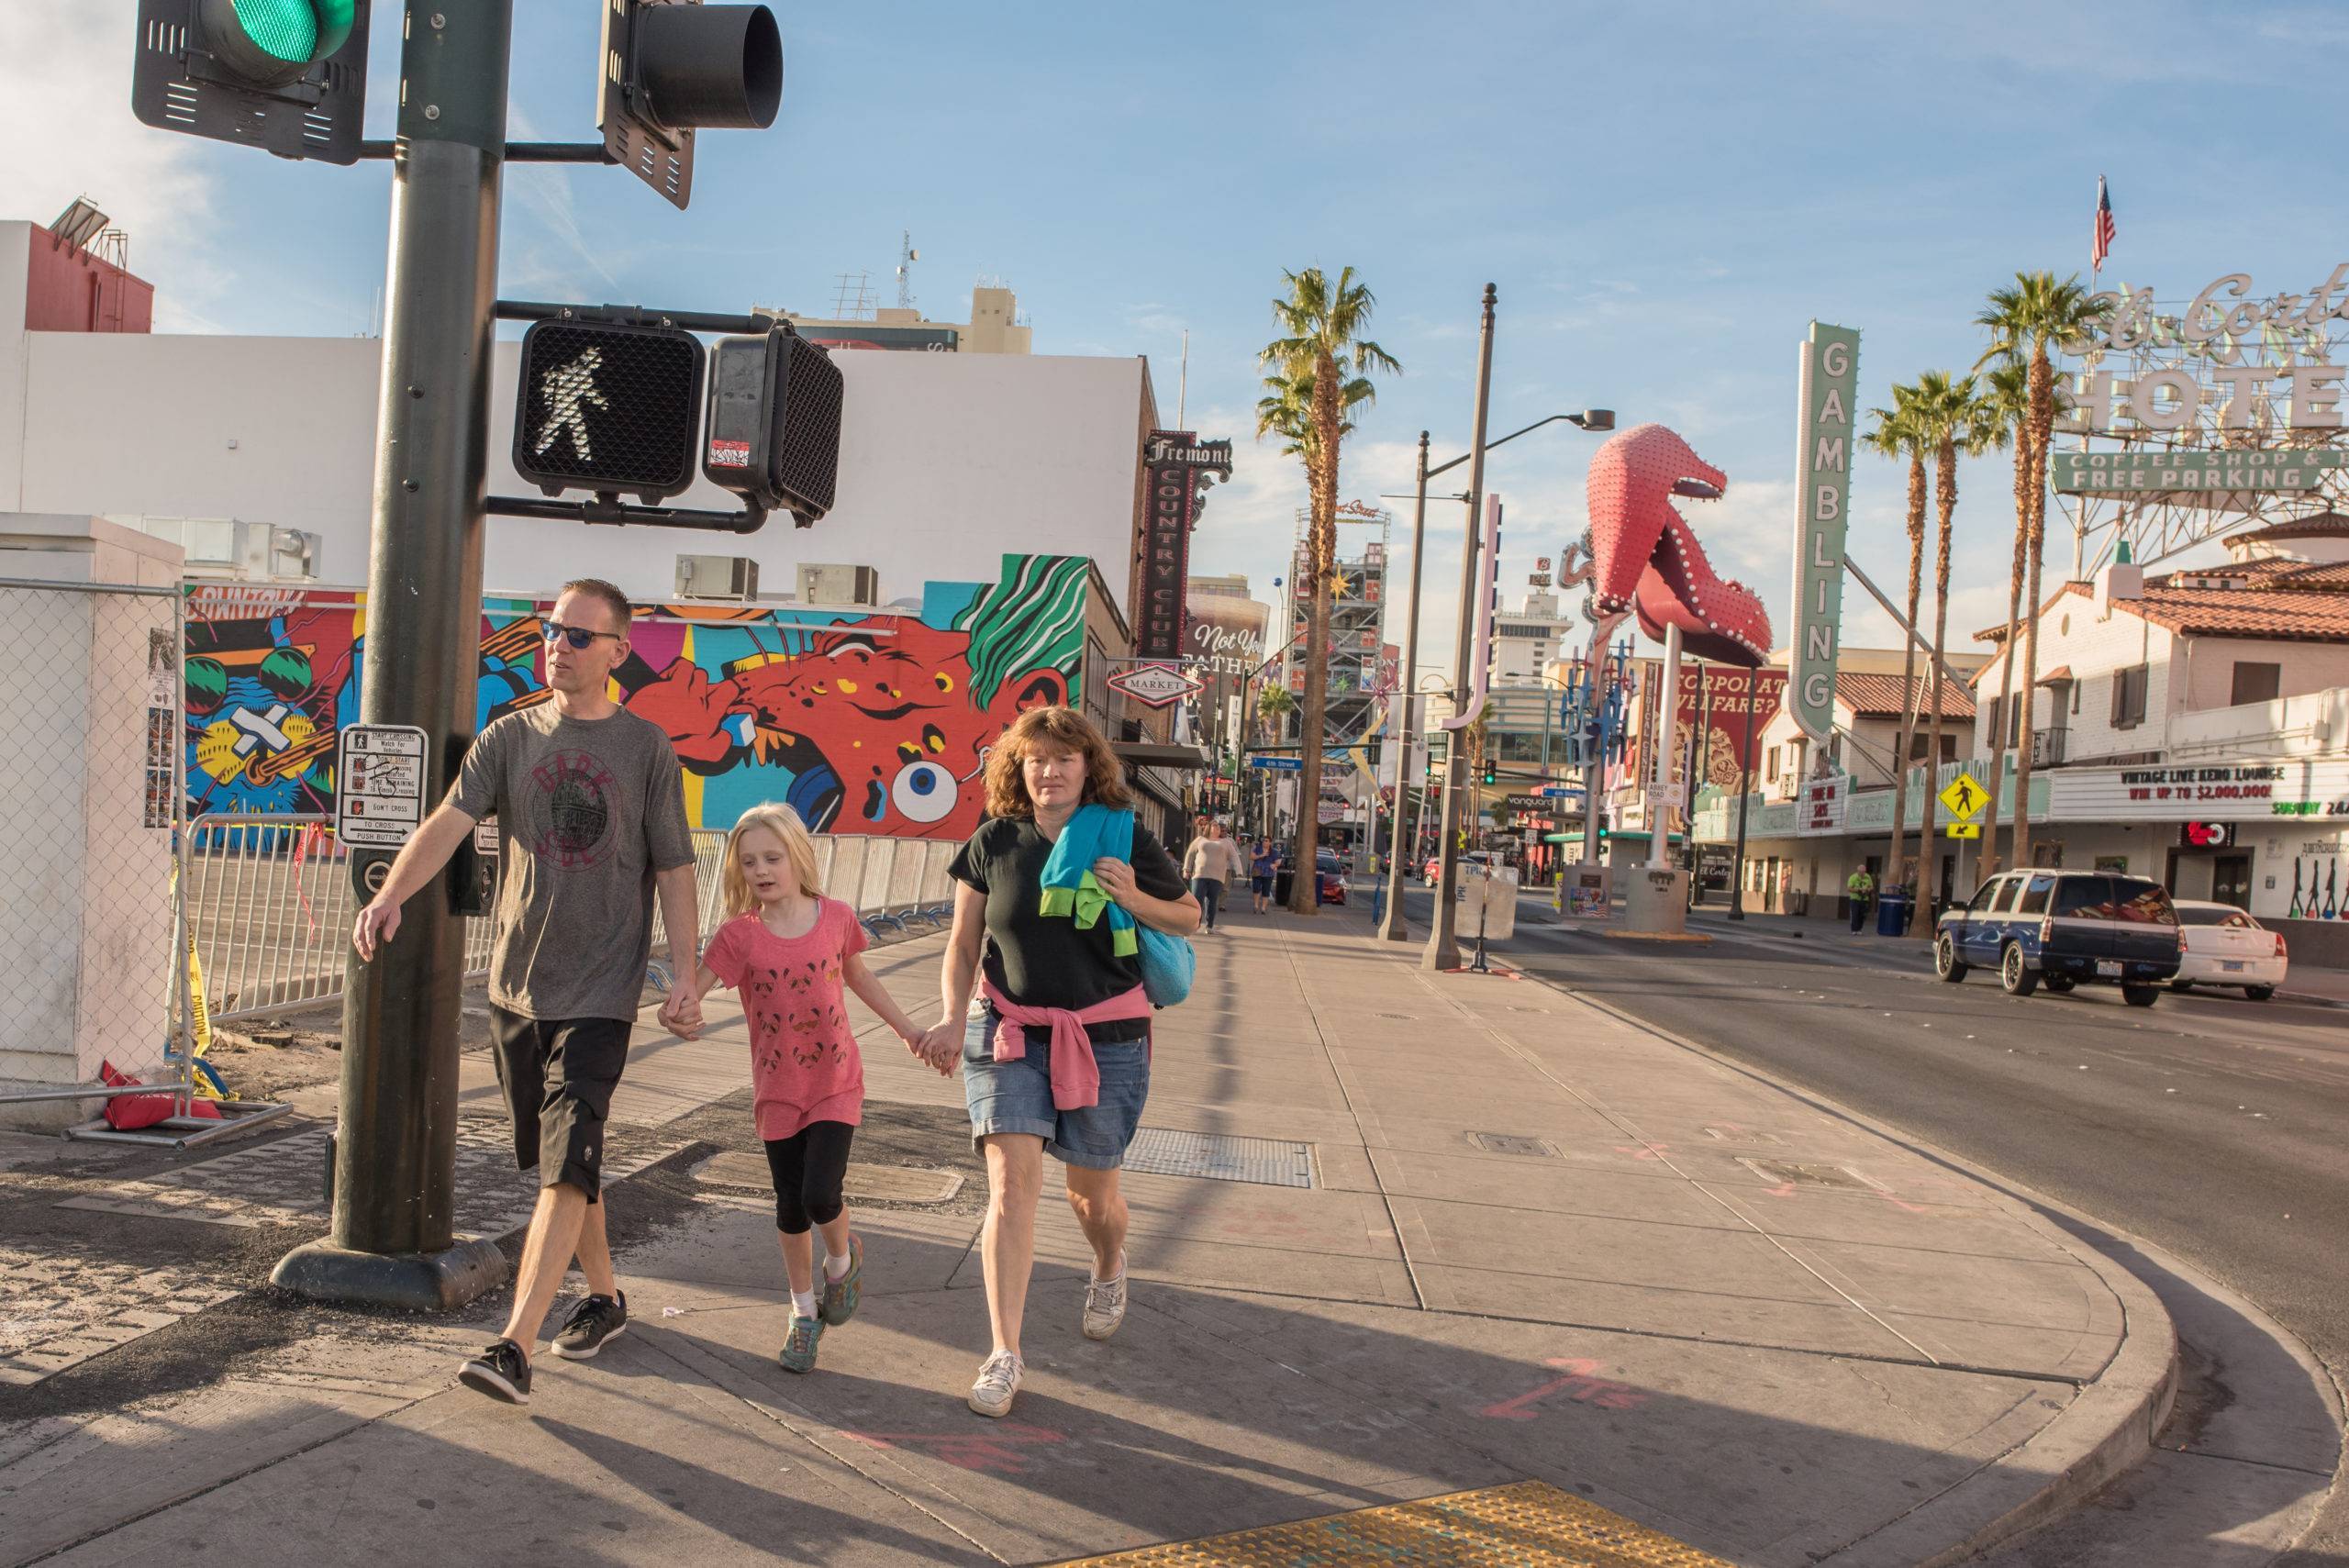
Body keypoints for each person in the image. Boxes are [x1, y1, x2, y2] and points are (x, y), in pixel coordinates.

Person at [351, 579, 699, 1407]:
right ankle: (606, 1297)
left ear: (618, 651)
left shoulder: (646, 748)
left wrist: (684, 973)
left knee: (567, 1164)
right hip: (517, 990)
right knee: (563, 1167)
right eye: (552, 629)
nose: (560, 644)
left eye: (581, 635)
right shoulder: (509, 736)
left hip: (601, 992)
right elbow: (447, 821)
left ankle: (515, 1344)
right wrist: (390, 893)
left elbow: (676, 868)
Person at [918, 706, 1199, 1418]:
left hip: (1107, 1039)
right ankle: (1004, 1352)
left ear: (1087, 767)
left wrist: (1130, 894)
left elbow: (1190, 916)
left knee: (1091, 1199)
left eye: (1062, 758)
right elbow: (961, 942)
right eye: (1035, 758)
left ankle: (1108, 1262)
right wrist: (953, 1016)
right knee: (1012, 1185)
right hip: (1009, 1034)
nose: (1048, 770)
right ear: (1019, 767)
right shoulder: (993, 842)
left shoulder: (1123, 836)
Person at [667, 803, 931, 1373]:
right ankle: (802, 1312)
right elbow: (698, 988)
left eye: (773, 856)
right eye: (749, 861)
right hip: (777, 1089)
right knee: (790, 1208)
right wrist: (681, 1009)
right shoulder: (739, 936)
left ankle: (842, 1261)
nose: (762, 869)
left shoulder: (835, 917)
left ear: (797, 856)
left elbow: (858, 975)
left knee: (820, 1194)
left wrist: (908, 1029)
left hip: (835, 1081)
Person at [1182, 819, 1241, 932]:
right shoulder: (1200, 840)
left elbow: (1234, 856)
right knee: (1196, 900)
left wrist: (1238, 870)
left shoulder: (1226, 842)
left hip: (1217, 876)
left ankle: (1209, 925)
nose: (1217, 828)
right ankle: (1194, 924)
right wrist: (1187, 869)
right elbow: (1190, 854)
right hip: (1200, 874)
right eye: (1215, 826)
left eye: (1219, 827)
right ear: (1208, 828)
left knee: (1212, 901)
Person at [1248, 838, 1278, 914]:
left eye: (1266, 841)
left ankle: (1263, 908)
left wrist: (1275, 865)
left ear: (1270, 843)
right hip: (1257, 871)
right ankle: (1256, 905)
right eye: (1264, 841)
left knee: (1266, 890)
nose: (1264, 842)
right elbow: (1251, 857)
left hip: (1268, 873)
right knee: (1256, 888)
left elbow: (1278, 861)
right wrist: (1261, 855)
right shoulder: (1257, 849)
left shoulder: (1274, 851)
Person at [1846, 863, 1876, 933]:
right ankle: (1854, 929)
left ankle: (1859, 929)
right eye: (1861, 872)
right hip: (1855, 898)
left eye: (1864, 872)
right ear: (1858, 871)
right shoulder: (1853, 877)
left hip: (1864, 899)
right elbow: (1849, 888)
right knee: (1855, 914)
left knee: (1862, 915)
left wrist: (1868, 889)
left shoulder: (1868, 877)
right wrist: (1858, 890)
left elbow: (1871, 887)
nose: (1863, 874)